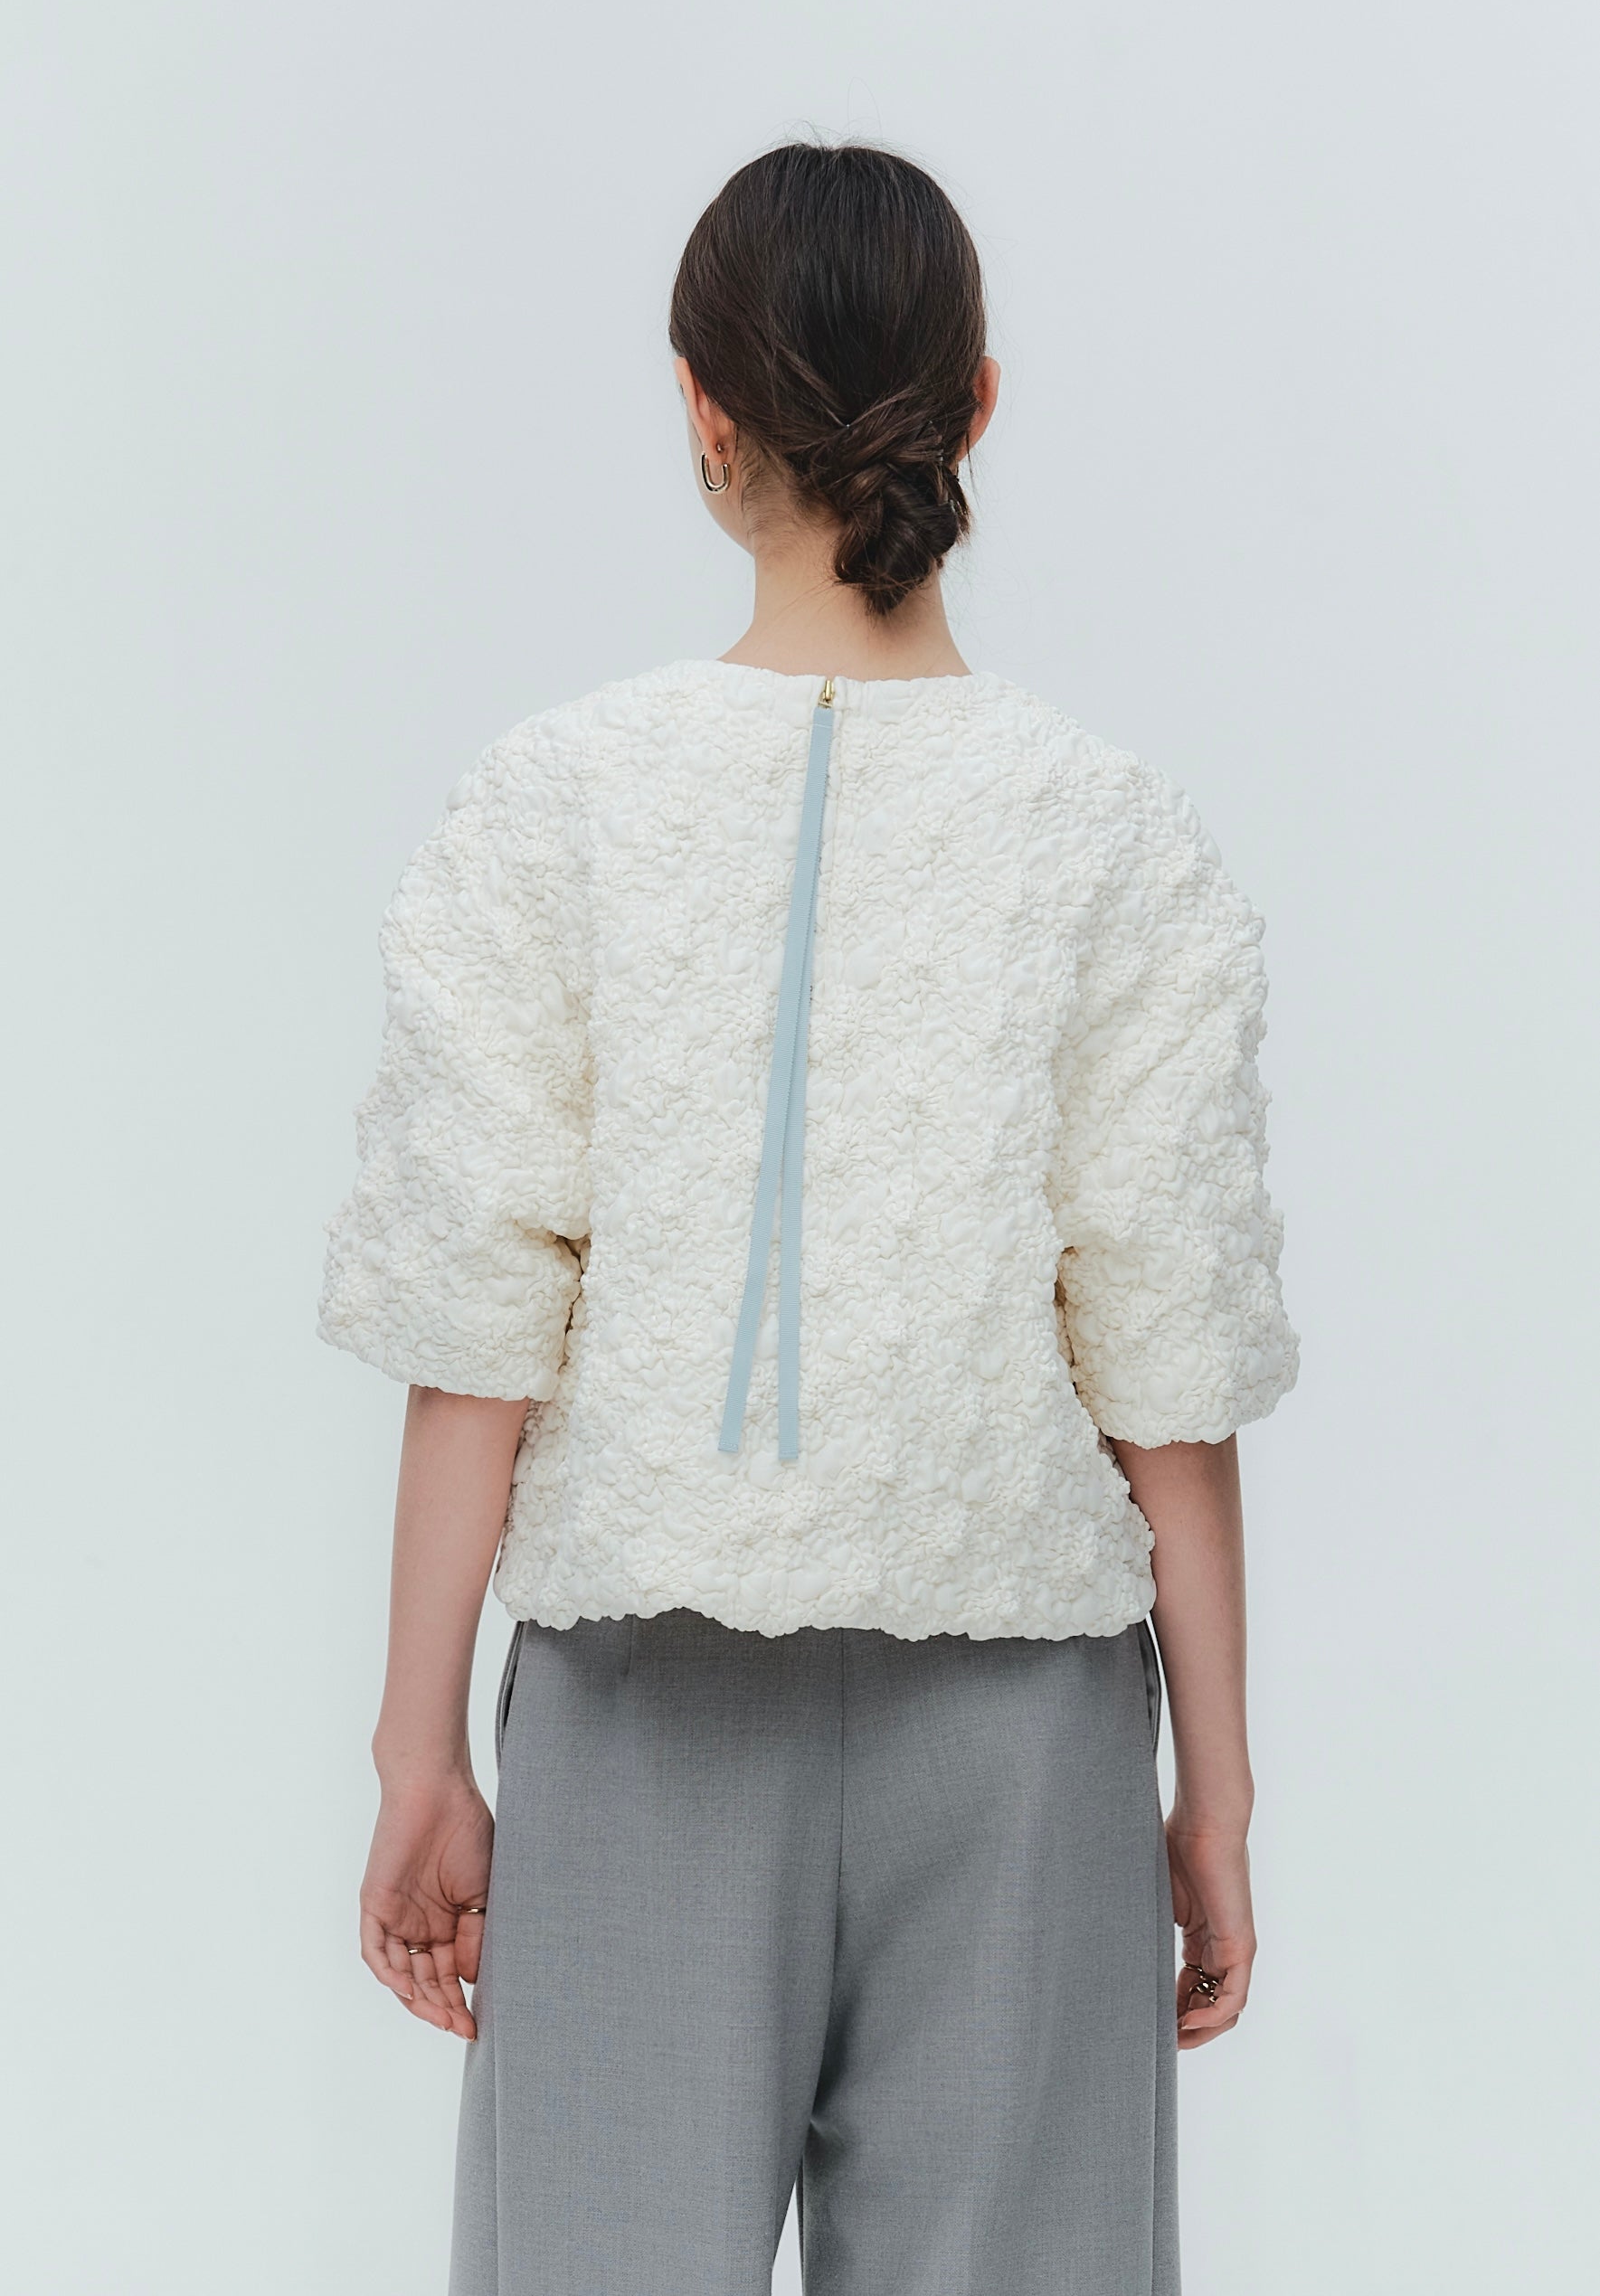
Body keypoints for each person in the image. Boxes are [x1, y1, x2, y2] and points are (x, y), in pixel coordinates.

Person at [319, 139, 1298, 2296]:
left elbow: (475, 1330)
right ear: (978, 402)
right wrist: (1216, 1795)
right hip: (1024, 1741)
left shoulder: (555, 805)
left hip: (640, 1719)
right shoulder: (1112, 833)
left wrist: (418, 1749)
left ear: (699, 409)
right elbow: (1174, 1369)